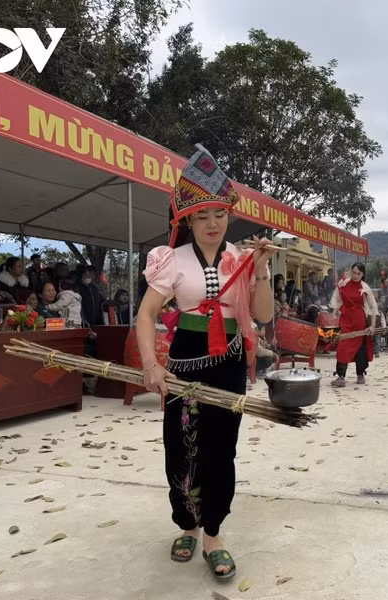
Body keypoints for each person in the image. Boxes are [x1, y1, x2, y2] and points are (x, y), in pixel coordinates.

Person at [136, 145, 274, 580]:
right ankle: (188, 525)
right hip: (183, 364)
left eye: (219, 215)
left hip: (229, 364)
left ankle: (213, 532)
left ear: (228, 216)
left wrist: (264, 269)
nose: (212, 224)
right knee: (181, 448)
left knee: (221, 450)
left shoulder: (243, 258)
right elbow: (146, 315)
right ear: (187, 220)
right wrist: (151, 366)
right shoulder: (170, 260)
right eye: (202, 216)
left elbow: (265, 315)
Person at [330, 262, 376, 386]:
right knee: (343, 345)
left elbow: (373, 308)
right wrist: (333, 316)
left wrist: (372, 326)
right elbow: (336, 300)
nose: (355, 276)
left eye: (358, 273)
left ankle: (360, 374)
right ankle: (340, 376)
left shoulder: (365, 287)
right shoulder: (343, 284)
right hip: (345, 318)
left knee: (360, 347)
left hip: (359, 319)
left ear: (363, 274)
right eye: (353, 273)